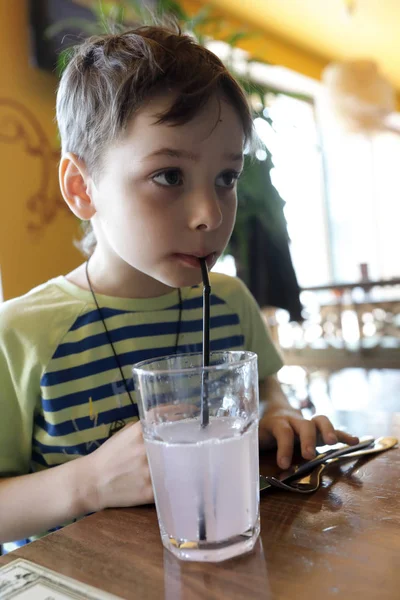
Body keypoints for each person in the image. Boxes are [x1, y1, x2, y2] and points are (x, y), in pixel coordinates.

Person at [0, 25, 359, 549]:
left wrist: (279, 417)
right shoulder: (22, 335)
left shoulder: (231, 302)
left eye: (226, 178)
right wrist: (88, 483)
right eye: (169, 176)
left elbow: (266, 395)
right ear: (82, 188)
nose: (210, 215)